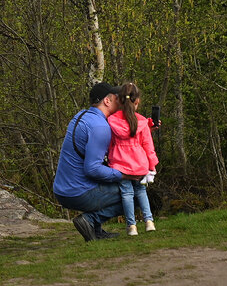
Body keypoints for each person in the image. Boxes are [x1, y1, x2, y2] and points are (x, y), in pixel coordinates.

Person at [53, 82, 126, 241]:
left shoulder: (81, 116)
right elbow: (92, 169)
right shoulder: (100, 126)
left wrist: (145, 129)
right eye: (116, 98)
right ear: (107, 101)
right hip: (77, 193)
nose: (120, 102)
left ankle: (95, 231)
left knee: (104, 180)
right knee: (132, 193)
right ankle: (89, 220)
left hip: (62, 189)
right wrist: (123, 175)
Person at [107, 82, 159, 235]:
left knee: (126, 194)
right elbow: (148, 146)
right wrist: (152, 165)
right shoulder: (142, 122)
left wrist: (109, 160)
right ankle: (149, 221)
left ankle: (132, 226)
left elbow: (109, 144)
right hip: (139, 164)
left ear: (120, 100)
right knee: (141, 192)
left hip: (120, 164)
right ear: (137, 101)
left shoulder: (112, 121)